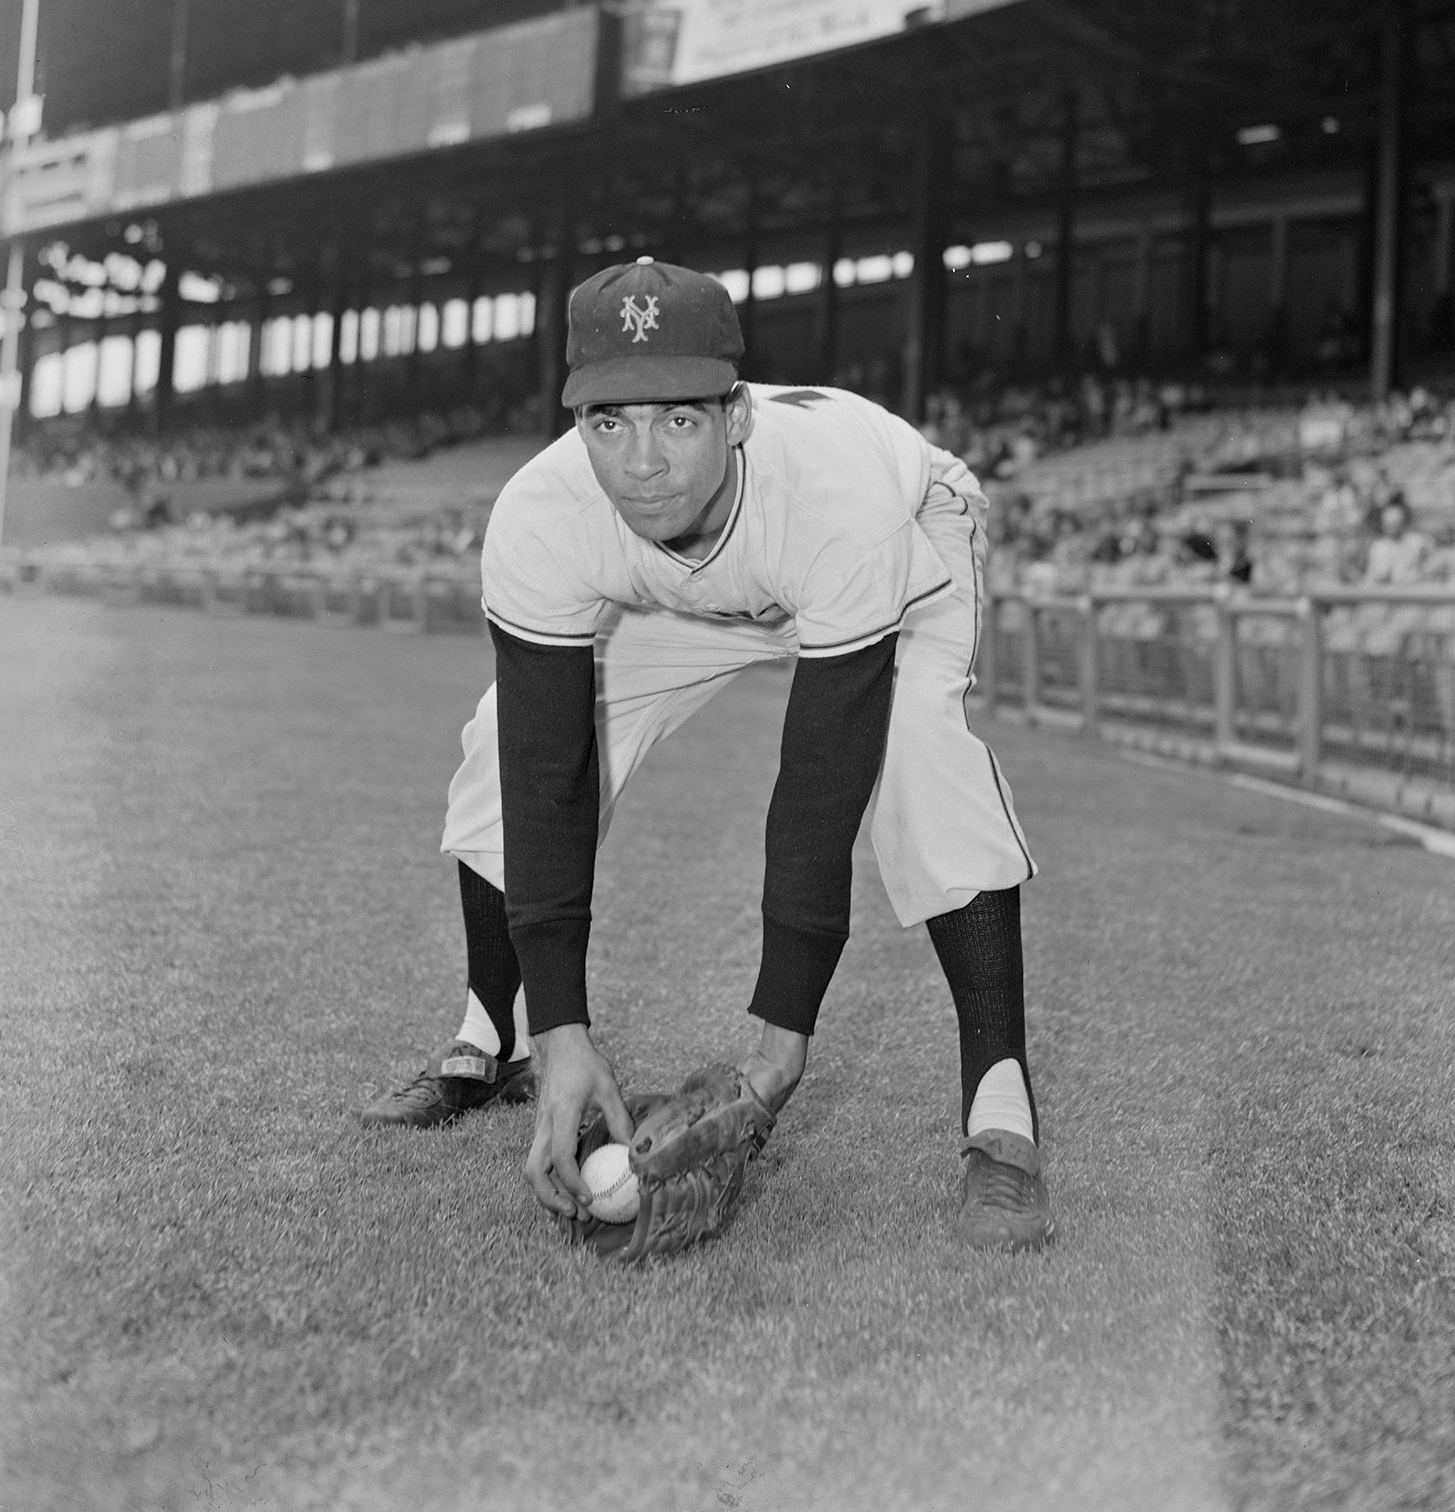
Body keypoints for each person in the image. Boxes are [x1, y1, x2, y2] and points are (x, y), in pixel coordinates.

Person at [362, 258, 1053, 1252]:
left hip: (891, 542)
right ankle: (502, 1037)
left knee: (918, 760)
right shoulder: (545, 513)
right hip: (682, 588)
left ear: (735, 416)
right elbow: (548, 768)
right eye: (608, 422)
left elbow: (820, 781)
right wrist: (567, 1031)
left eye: (676, 418)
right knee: (496, 746)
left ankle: (1002, 1117)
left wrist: (776, 1058)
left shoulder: (835, 498)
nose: (641, 459)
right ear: (576, 423)